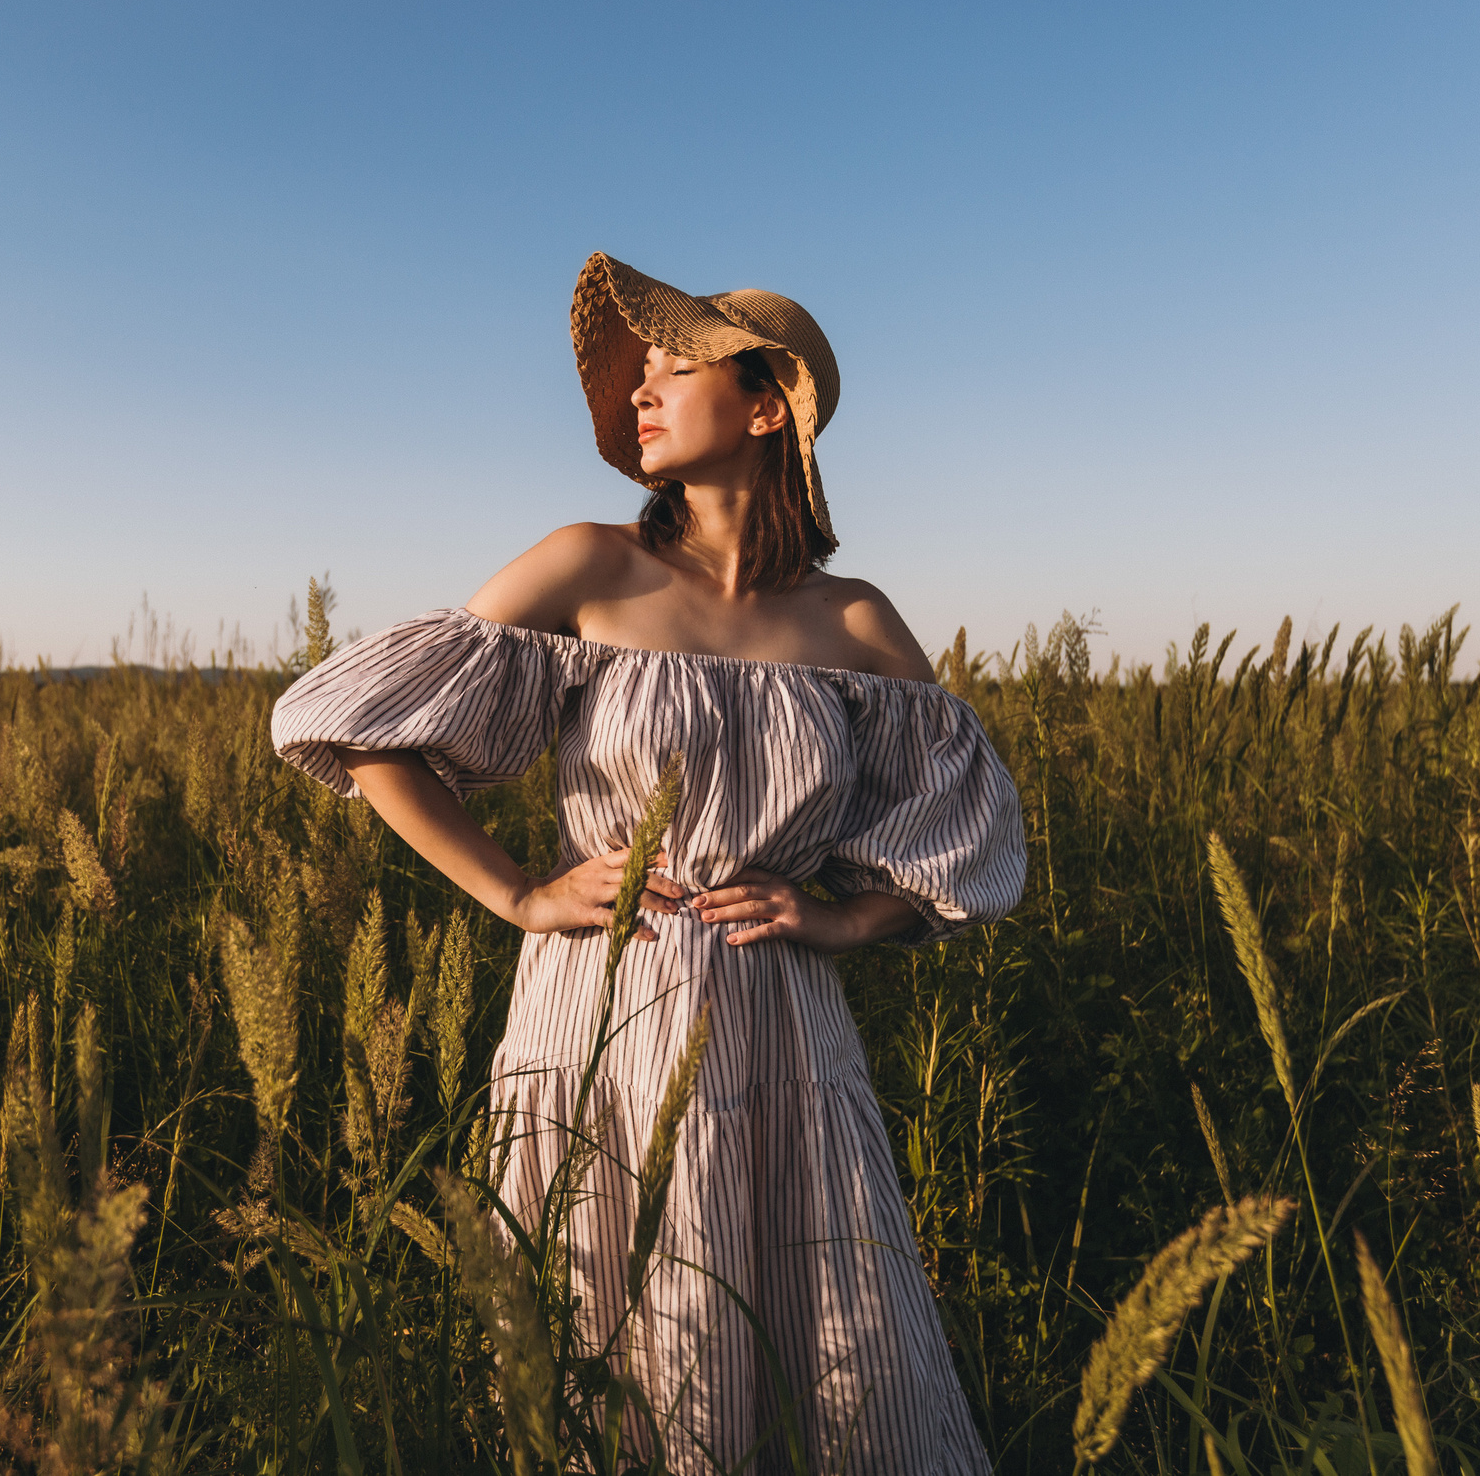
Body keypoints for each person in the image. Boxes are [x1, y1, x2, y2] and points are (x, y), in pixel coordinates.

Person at [270, 252, 1027, 1473]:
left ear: (768, 405)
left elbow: (965, 832)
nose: (642, 391)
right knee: (606, 1329)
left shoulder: (855, 622)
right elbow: (355, 725)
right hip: (601, 1008)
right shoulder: (590, 566)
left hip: (780, 1025)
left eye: (677, 367)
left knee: (813, 1328)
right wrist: (515, 890)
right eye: (640, 375)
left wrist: (840, 922)